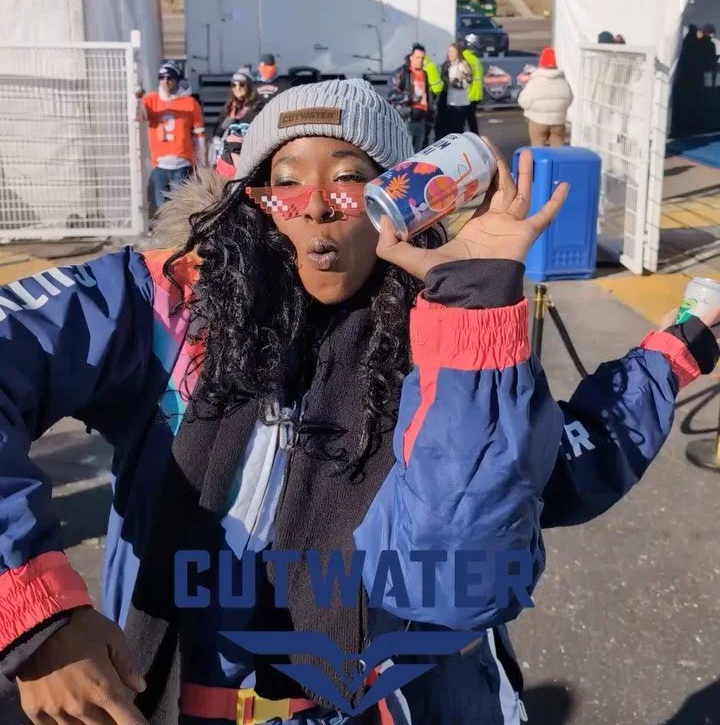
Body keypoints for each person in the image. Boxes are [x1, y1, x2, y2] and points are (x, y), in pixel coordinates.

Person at [1, 79, 718, 725]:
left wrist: (480, 312)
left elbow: (472, 563)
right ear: (252, 198)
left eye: (349, 179)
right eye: (286, 180)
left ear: (397, 198)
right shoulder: (163, 306)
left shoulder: (448, 337)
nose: (315, 205)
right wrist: (34, 613)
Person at [140, 61, 206, 213]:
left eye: (169, 77)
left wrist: (202, 162)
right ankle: (164, 234)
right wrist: (136, 99)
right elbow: (137, 117)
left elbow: (199, 135)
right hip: (160, 162)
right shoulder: (151, 100)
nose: (165, 81)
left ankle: (178, 234)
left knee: (181, 204)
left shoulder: (189, 103)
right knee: (161, 206)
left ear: (176, 80)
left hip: (182, 161)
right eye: (162, 77)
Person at [390, 43, 443, 150]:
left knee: (419, 150)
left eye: (422, 58)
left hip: (422, 119)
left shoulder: (424, 74)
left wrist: (431, 113)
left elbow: (427, 95)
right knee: (406, 150)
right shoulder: (402, 72)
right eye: (417, 57)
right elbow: (392, 95)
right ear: (411, 57)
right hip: (406, 118)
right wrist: (414, 98)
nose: (420, 60)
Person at [518, 47, 573, 147]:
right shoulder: (563, 81)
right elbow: (569, 99)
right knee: (558, 151)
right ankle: (557, 162)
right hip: (558, 121)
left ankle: (540, 162)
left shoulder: (535, 81)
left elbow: (523, 102)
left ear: (541, 63)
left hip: (538, 121)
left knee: (538, 149)